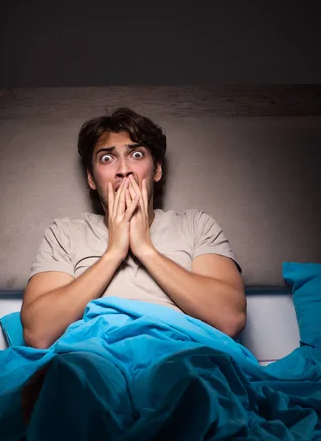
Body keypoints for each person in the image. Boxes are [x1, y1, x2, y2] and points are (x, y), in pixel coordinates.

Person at [21, 108, 247, 349]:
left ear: (157, 170)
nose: (123, 169)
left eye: (136, 154)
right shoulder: (64, 233)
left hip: (178, 355)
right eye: (107, 158)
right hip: (93, 357)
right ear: (91, 178)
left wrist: (145, 249)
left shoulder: (196, 225)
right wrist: (114, 253)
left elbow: (230, 319)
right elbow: (38, 333)